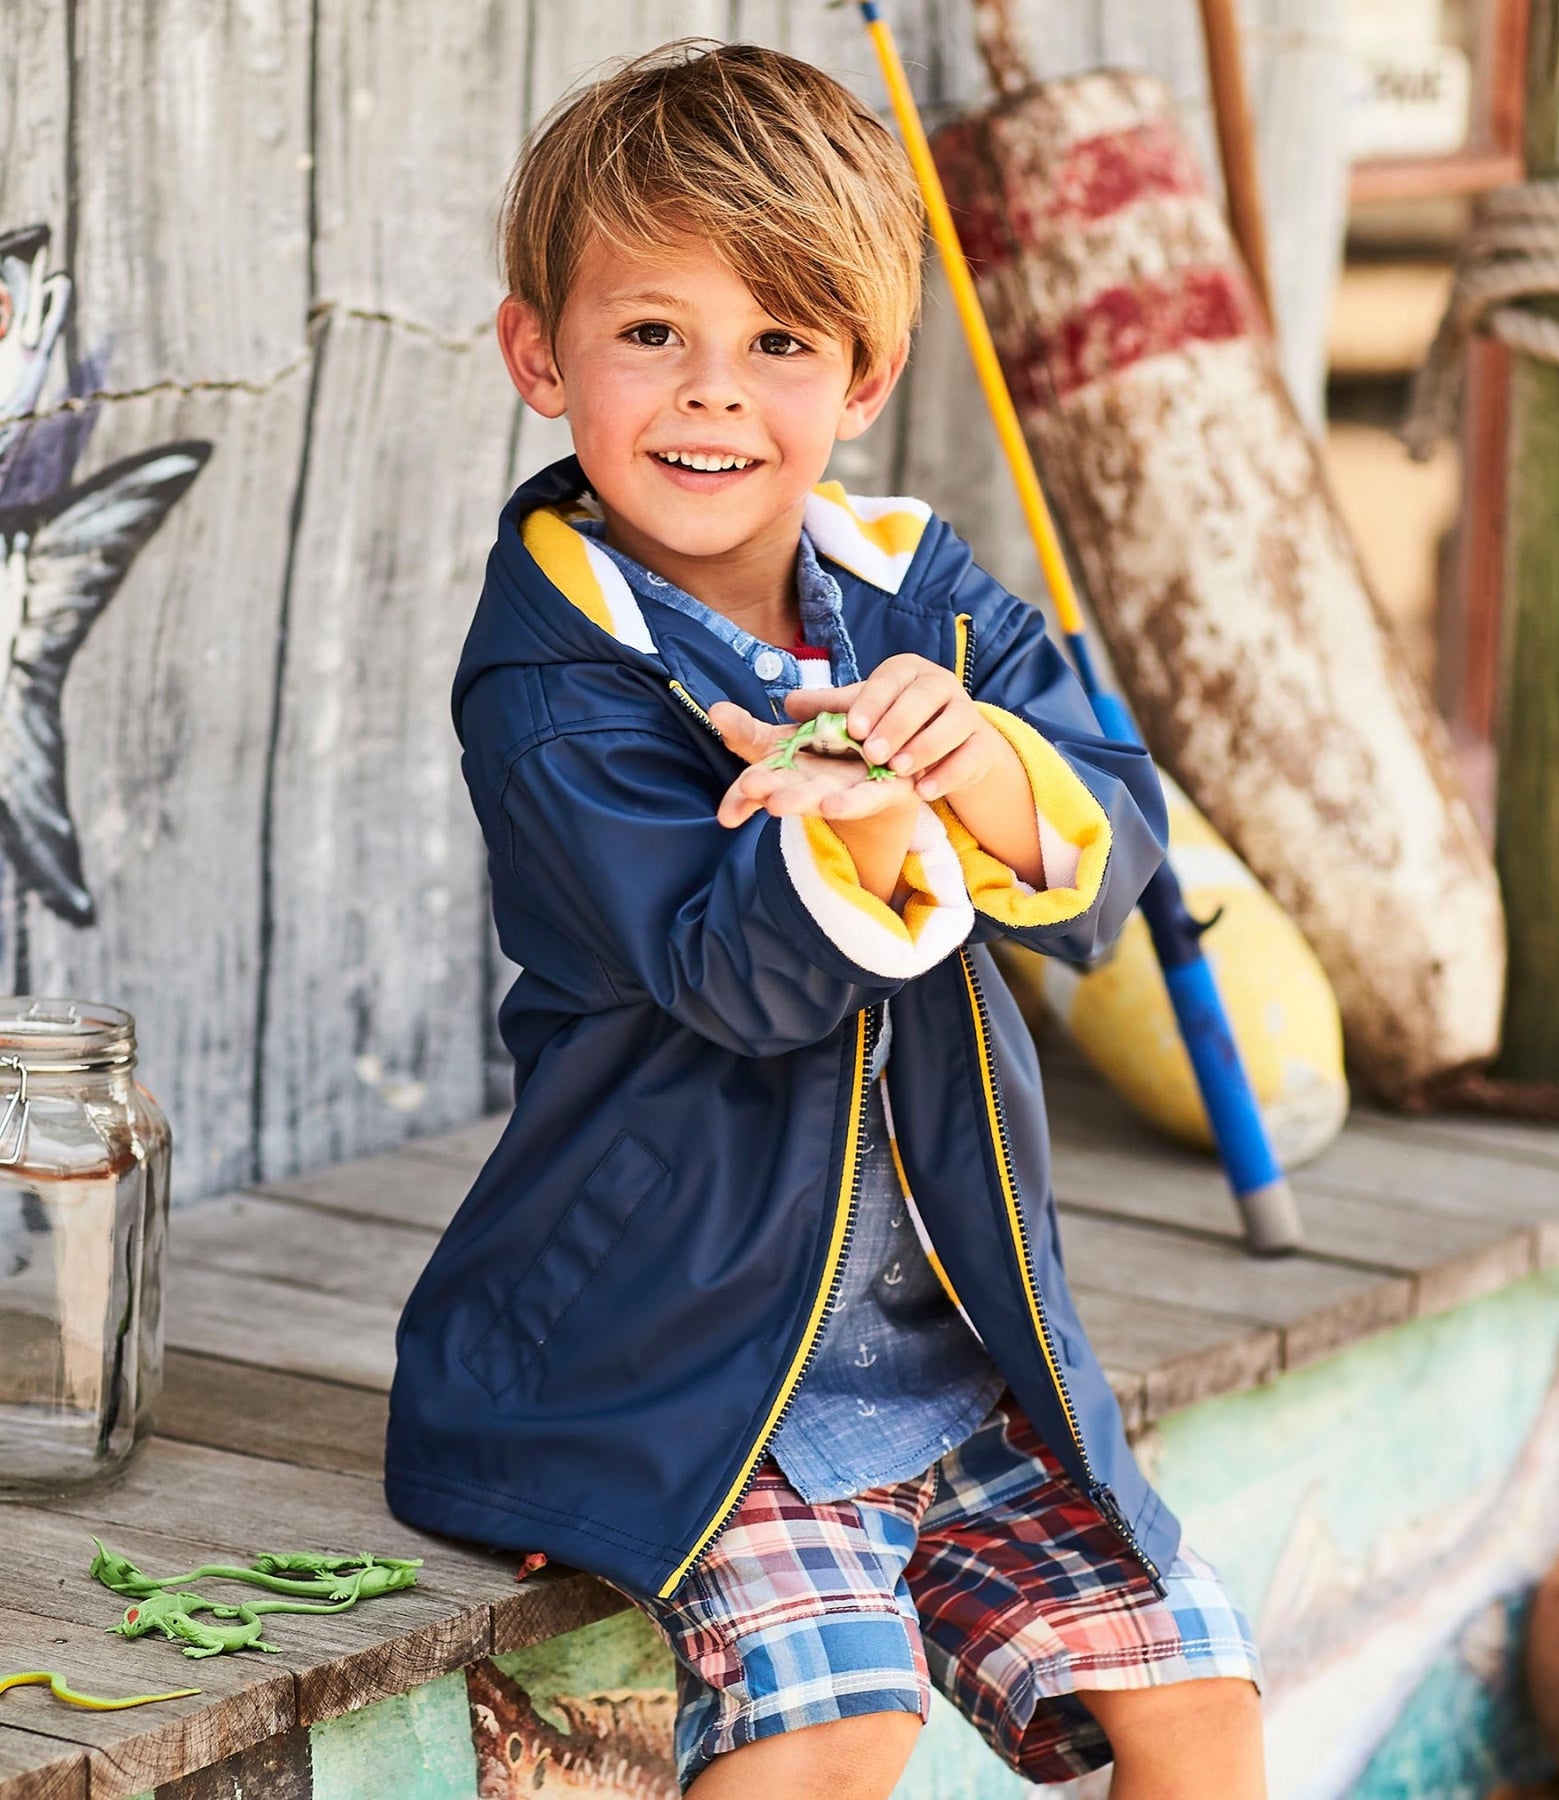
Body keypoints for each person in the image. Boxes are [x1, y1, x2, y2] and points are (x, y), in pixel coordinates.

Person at [385, 38, 1266, 1799]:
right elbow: (729, 970)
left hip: (952, 1341)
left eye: (779, 343)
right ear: (537, 352)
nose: (713, 398)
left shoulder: (909, 584)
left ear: (861, 375)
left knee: (1198, 1693)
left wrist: (987, 760)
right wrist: (858, 834)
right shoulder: (550, 683)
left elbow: (1119, 836)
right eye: (653, 334)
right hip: (675, 1355)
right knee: (838, 1720)